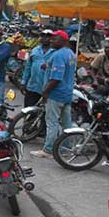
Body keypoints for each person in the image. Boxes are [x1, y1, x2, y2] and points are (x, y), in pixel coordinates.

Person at [31, 31, 77, 159]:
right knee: (66, 123)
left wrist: (45, 92)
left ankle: (48, 150)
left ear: (63, 40)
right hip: (67, 93)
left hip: (56, 94)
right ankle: (66, 147)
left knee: (52, 122)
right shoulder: (71, 53)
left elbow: (56, 78)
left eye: (55, 39)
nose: (51, 41)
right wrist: (48, 66)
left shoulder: (58, 55)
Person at [21, 29, 55, 107]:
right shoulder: (35, 50)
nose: (45, 38)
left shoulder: (55, 52)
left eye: (48, 37)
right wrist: (23, 82)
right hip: (32, 87)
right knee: (28, 111)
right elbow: (28, 68)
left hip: (47, 89)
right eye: (43, 36)